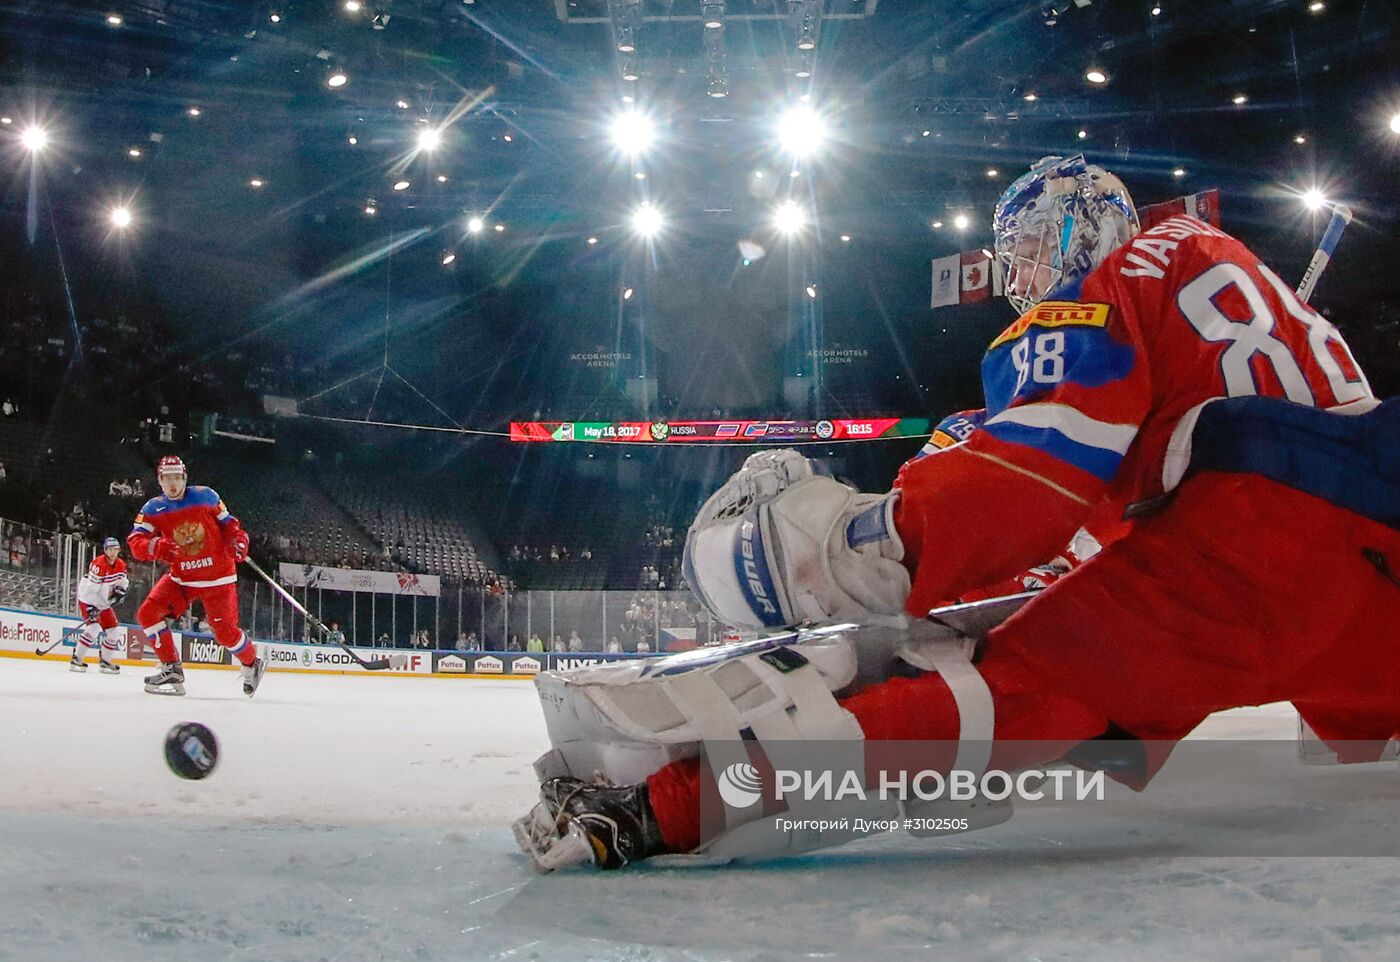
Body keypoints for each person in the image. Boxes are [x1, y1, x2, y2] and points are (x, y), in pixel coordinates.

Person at [515, 154, 1396, 872]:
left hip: (1247, 549)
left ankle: (655, 808)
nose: (1022, 276)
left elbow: (1035, 473)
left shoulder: (1115, 281)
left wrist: (868, 542)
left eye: (1030, 248)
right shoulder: (1225, 268)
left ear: (1080, 226)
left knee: (1002, 695)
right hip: (1378, 551)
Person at [127, 455, 264, 697]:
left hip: (217, 578)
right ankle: (171, 668)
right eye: (167, 478)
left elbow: (230, 525)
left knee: (225, 633)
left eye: (176, 477)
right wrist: (155, 546)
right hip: (182, 579)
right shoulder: (152, 509)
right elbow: (136, 541)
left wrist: (239, 540)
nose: (172, 483)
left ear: (184, 478)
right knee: (148, 614)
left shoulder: (205, 496)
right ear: (159, 481)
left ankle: (252, 663)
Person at [69, 537, 128, 674]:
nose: (112, 552)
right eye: (110, 549)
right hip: (88, 598)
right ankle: (77, 659)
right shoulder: (98, 564)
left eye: (115, 549)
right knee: (94, 628)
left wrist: (120, 591)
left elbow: (123, 582)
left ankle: (105, 662)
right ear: (105, 550)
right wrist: (93, 608)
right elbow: (90, 590)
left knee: (114, 631)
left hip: (103, 601)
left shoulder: (120, 564)